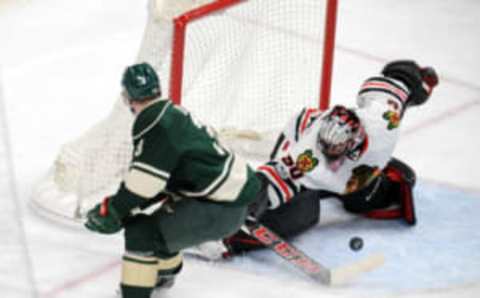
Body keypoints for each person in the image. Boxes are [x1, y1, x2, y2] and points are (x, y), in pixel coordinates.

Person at [192, 60, 439, 260]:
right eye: (327, 148)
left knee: (388, 189)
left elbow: (392, 90)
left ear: (353, 143)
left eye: (336, 149)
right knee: (303, 213)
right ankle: (225, 235)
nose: (330, 153)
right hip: (319, 168)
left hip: (360, 175)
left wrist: (414, 80)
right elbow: (285, 173)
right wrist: (257, 196)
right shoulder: (313, 146)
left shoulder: (381, 125)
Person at [84, 62, 263, 298]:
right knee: (160, 222)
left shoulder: (154, 124)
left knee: (142, 233)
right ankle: (162, 279)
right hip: (232, 198)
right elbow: (163, 181)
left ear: (127, 97)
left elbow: (143, 185)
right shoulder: (173, 113)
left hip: (221, 209)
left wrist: (113, 209)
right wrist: (122, 206)